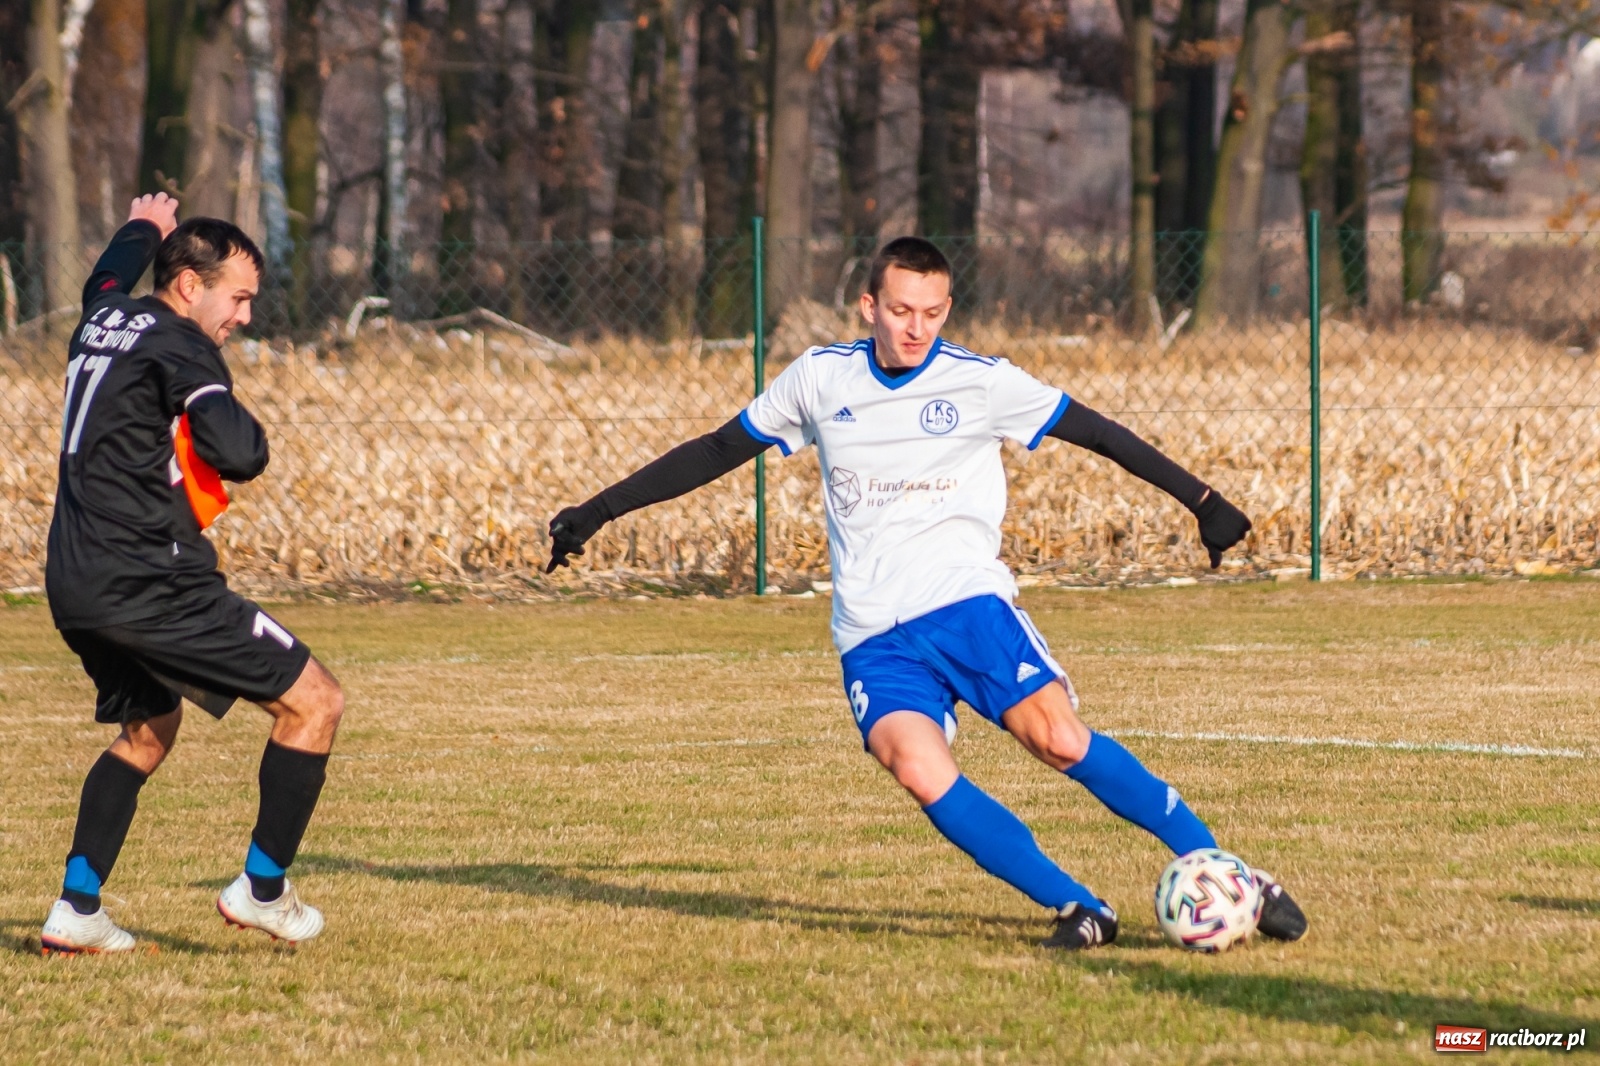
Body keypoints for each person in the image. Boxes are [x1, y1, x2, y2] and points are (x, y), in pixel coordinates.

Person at [546, 237, 1306, 949]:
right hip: (872, 631)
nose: (916, 329)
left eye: (933, 313)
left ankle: (1233, 874)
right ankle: (1079, 906)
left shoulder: (980, 382)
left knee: (1058, 740)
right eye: (902, 311)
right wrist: (598, 512)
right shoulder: (820, 378)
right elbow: (717, 449)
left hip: (966, 604)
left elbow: (1100, 432)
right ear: (869, 306)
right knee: (913, 764)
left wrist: (1202, 500)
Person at [39, 194, 343, 954]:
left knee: (148, 731)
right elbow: (239, 453)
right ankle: (263, 890)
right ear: (187, 285)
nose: (243, 316)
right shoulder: (183, 346)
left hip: (75, 581)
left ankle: (77, 909)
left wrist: (144, 225)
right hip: (152, 582)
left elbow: (105, 276)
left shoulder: (102, 319)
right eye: (237, 298)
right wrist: (235, 423)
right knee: (315, 704)